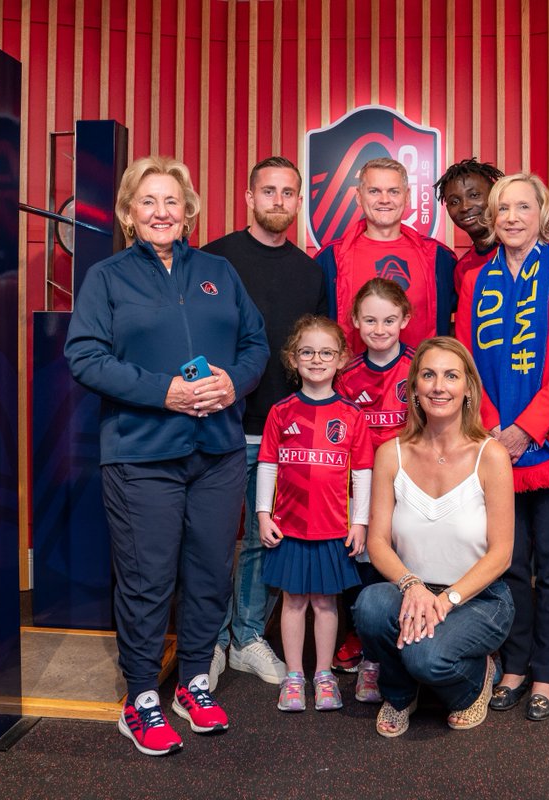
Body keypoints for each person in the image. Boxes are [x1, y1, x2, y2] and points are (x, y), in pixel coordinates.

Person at [65, 156, 268, 757]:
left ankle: (195, 683)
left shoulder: (219, 271)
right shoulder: (107, 278)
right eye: (148, 202)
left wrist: (234, 382)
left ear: (189, 212)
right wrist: (165, 392)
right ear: (130, 213)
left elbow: (255, 343)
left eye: (172, 202)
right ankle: (141, 698)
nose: (161, 212)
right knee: (148, 579)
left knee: (210, 571)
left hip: (219, 450)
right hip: (141, 454)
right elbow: (84, 356)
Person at [439, 160, 549, 691]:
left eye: (522, 206)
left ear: (542, 214)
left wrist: (525, 429)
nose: (511, 216)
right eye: (502, 207)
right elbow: (465, 362)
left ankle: (547, 677)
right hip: (495, 445)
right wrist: (490, 432)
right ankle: (513, 668)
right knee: (508, 566)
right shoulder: (474, 280)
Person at [202, 156, 328, 689]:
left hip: (282, 431)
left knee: (262, 538)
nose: (279, 201)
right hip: (217, 425)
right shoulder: (213, 259)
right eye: (268, 191)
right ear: (249, 197)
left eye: (288, 193)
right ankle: (206, 641)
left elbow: (316, 352)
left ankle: (248, 635)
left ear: (299, 202)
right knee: (207, 537)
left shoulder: (309, 271)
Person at [353, 337, 514, 737]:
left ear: (467, 390)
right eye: (428, 375)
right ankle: (400, 694)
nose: (438, 386)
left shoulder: (490, 455)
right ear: (414, 388)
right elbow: (377, 542)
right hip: (412, 590)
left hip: (479, 598)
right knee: (370, 606)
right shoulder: (391, 452)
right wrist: (412, 586)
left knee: (427, 658)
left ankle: (473, 682)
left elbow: (502, 554)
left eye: (450, 376)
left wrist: (445, 600)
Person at [257, 316, 374, 713]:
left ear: (342, 359)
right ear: (293, 358)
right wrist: (262, 513)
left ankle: (324, 675)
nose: (317, 359)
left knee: (326, 603)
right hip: (289, 527)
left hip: (332, 529)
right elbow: (268, 465)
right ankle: (294, 676)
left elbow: (362, 473)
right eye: (308, 351)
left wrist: (360, 522)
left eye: (327, 352)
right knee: (293, 602)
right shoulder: (281, 411)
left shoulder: (352, 416)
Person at [332, 278, 417, 702]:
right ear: (355, 323)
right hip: (362, 487)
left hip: (411, 485)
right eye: (370, 320)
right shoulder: (345, 377)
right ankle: (365, 642)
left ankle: (394, 640)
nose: (379, 328)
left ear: (405, 319)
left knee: (403, 561)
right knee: (360, 561)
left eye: (389, 320)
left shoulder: (418, 367)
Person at [315, 157, 456, 354]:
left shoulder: (439, 258)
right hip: (351, 382)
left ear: (407, 197)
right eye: (374, 191)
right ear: (358, 196)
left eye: (393, 191)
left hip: (421, 380)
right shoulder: (330, 259)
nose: (384, 199)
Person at [434, 157, 504, 286]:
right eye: (454, 202)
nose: (465, 207)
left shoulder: (522, 249)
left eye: (474, 195)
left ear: (494, 195)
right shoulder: (463, 269)